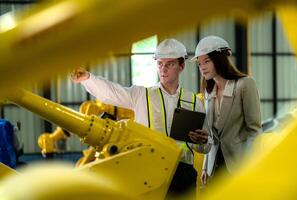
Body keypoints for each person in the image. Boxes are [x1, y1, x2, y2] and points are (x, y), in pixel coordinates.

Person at [71, 38, 211, 197]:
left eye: (169, 64)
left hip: (183, 173)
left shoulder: (194, 102)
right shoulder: (141, 95)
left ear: (181, 66)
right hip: (149, 171)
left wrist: (203, 141)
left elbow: (205, 146)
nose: (163, 69)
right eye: (160, 63)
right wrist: (88, 78)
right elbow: (111, 92)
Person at [191, 35, 262, 186]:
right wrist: (205, 167)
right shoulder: (208, 93)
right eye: (199, 63)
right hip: (215, 168)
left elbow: (254, 131)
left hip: (239, 165)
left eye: (207, 61)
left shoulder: (245, 85)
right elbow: (212, 135)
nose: (202, 67)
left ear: (220, 59)